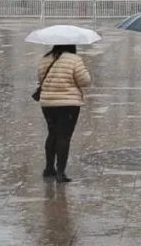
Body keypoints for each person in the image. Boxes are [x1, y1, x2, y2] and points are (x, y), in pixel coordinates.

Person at [37, 44, 92, 183]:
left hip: (48, 103)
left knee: (52, 134)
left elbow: (40, 78)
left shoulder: (46, 58)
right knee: (64, 136)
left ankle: (49, 168)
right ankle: (61, 172)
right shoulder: (74, 59)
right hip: (69, 104)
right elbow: (85, 81)